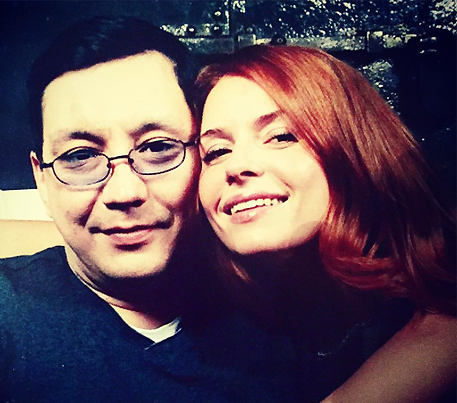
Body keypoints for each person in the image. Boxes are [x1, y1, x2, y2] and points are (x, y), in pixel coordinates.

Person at [0, 17, 305, 403]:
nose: (124, 192)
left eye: (158, 148)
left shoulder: (280, 306)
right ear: (42, 180)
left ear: (204, 154)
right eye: (79, 156)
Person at [194, 44, 456, 402]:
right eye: (216, 152)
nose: (236, 166)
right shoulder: (231, 336)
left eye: (281, 137)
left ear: (352, 147)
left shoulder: (435, 305)